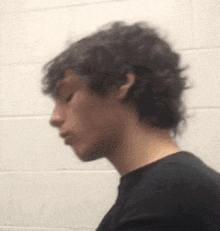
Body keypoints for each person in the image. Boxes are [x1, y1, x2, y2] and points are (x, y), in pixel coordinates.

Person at [41, 21, 220, 230]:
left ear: (119, 84)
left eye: (68, 96)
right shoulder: (168, 188)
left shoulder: (166, 201)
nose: (54, 118)